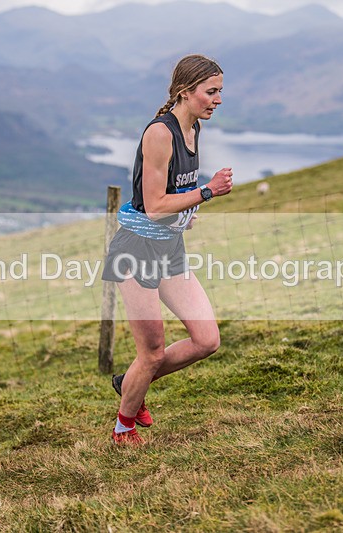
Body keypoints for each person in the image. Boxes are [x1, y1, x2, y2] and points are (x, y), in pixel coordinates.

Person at [101, 54, 233, 445]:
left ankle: (130, 383)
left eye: (220, 92)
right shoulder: (160, 133)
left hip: (169, 248)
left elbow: (172, 199)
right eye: (210, 92)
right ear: (185, 91)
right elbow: (155, 204)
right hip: (135, 251)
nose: (218, 100)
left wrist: (186, 212)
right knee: (153, 352)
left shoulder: (194, 130)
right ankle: (123, 425)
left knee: (207, 340)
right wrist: (207, 192)